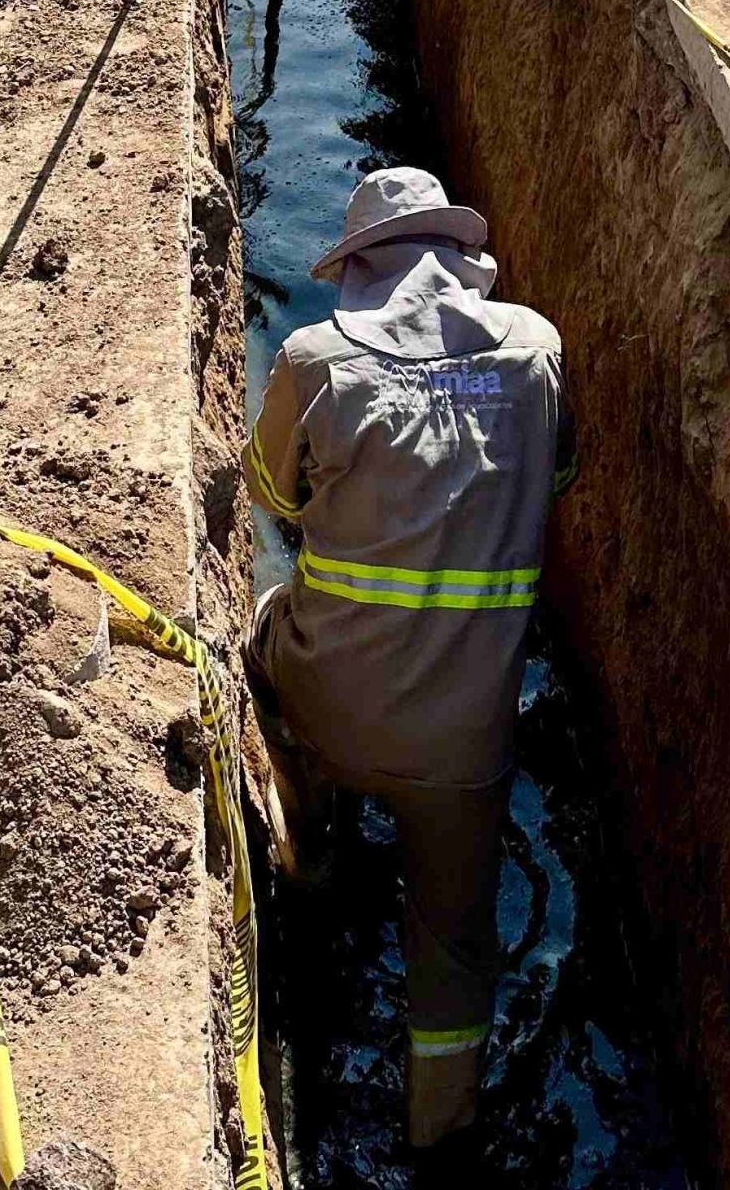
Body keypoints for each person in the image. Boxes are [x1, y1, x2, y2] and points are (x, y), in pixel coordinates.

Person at [242, 165, 577, 1159]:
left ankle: (312, 848)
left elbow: (273, 494)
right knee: (453, 948)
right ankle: (441, 1137)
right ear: (458, 262)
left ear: (359, 269)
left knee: (265, 639)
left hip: (331, 703)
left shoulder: (313, 360)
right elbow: (558, 473)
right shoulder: (538, 353)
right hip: (464, 745)